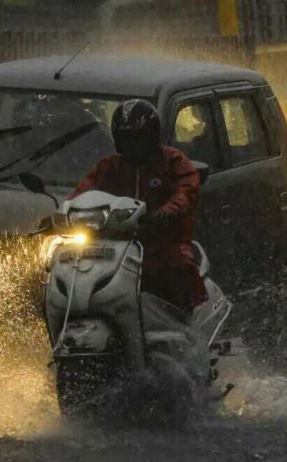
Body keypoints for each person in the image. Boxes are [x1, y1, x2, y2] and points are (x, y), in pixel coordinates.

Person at [71, 99, 208, 309]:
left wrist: (167, 212)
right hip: (112, 244)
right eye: (127, 139)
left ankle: (184, 325)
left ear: (152, 137)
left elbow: (187, 188)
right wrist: (65, 212)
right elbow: (85, 189)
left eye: (139, 138)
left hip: (161, 243)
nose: (133, 145)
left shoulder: (172, 161)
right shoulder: (110, 167)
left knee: (178, 265)